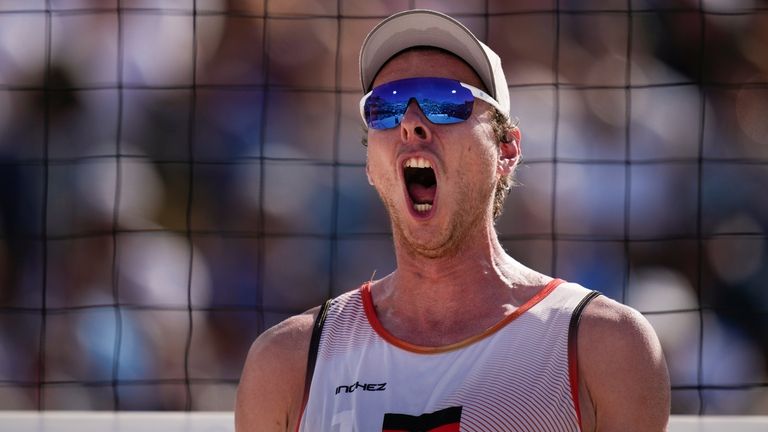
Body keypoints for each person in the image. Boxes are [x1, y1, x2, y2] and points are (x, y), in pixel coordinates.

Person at [236, 9, 670, 432]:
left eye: (444, 102)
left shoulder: (603, 346)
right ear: (370, 163)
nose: (410, 124)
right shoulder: (287, 363)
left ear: (506, 150)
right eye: (384, 108)